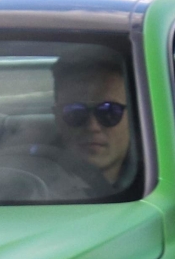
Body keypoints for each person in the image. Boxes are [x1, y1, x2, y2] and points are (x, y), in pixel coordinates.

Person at [50, 47, 136, 189]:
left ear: (134, 116)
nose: (92, 126)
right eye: (75, 112)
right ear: (57, 117)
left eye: (109, 111)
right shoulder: (28, 183)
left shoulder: (161, 179)